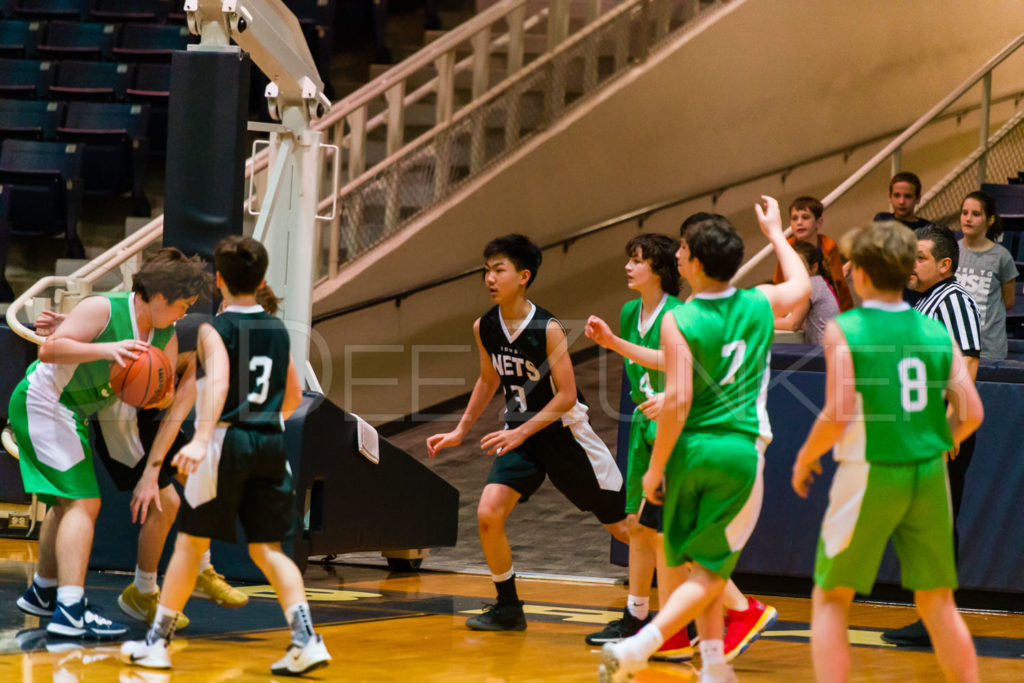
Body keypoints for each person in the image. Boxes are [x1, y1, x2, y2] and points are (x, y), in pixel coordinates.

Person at [600, 197, 810, 683]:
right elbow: (799, 287)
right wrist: (778, 234)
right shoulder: (759, 302)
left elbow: (676, 401)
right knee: (711, 565)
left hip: (690, 452)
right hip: (739, 449)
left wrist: (656, 468)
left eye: (682, 251)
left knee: (700, 562)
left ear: (696, 263)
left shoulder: (681, 319)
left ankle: (682, 654)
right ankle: (668, 650)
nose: (675, 255)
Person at [122, 236, 331, 674]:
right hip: (271, 444)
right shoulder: (277, 329)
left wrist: (201, 438)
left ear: (218, 281)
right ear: (260, 281)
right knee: (269, 550)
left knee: (189, 545)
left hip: (225, 443)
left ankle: (156, 642)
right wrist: (263, 418)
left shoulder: (213, 330)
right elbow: (293, 396)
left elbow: (215, 382)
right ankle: (306, 637)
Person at [792, 221, 982, 682]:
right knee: (937, 601)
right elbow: (972, 411)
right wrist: (943, 440)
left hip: (871, 470)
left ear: (861, 273)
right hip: (928, 473)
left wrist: (805, 456)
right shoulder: (935, 331)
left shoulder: (848, 328)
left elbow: (837, 411)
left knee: (831, 597)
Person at [427, 234, 629, 632]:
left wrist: (522, 432)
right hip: (519, 435)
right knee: (488, 513)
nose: (489, 278)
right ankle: (507, 608)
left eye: (498, 270)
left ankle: (672, 605)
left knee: (625, 527)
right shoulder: (484, 326)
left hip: (565, 436)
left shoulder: (548, 328)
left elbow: (568, 395)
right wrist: (460, 429)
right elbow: (488, 380)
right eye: (486, 270)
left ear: (523, 276)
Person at [11, 248, 208, 638]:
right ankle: (70, 611)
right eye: (183, 305)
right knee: (85, 504)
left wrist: (160, 392)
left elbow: (160, 396)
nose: (185, 314)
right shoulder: (103, 307)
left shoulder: (164, 335)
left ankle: (44, 593)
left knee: (67, 505)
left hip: (73, 413)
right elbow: (47, 349)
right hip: (44, 402)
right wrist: (105, 348)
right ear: (158, 296)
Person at [882, 224, 983, 647]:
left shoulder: (953, 300)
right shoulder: (926, 302)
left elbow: (968, 365)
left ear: (944, 264)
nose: (910, 264)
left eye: (919, 257)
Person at [955, 190, 1017, 361]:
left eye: (976, 214)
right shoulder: (950, 251)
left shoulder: (1002, 257)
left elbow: (1008, 301)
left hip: (989, 348)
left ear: (989, 220)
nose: (968, 218)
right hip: (955, 346)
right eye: (964, 213)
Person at [772, 196, 854, 311]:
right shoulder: (786, 247)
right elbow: (780, 285)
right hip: (795, 306)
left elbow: (837, 285)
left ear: (819, 222)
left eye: (805, 217)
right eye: (794, 218)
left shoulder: (828, 245)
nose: (799, 222)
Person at [775, 241, 841, 345]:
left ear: (814, 267)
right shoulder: (819, 283)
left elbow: (793, 324)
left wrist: (761, 321)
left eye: (798, 266)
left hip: (824, 355)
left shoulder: (812, 285)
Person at [873, 172, 939, 231]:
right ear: (890, 197)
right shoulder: (882, 220)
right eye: (897, 195)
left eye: (908, 196)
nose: (901, 202)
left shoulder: (927, 229)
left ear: (918, 199)